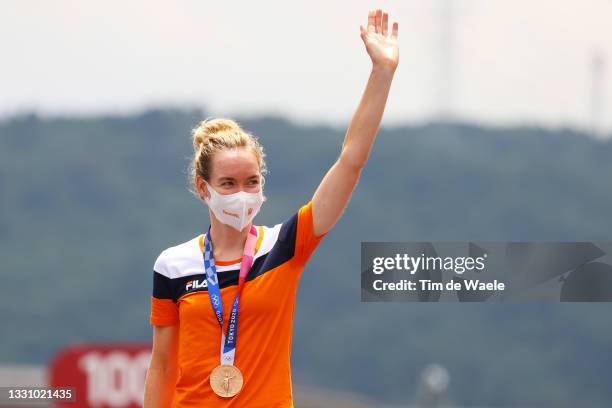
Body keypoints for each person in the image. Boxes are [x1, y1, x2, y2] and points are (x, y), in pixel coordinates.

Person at [144, 8, 399, 408]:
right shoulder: (173, 266)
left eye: (251, 182)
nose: (241, 194)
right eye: (228, 183)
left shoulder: (285, 245)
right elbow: (161, 368)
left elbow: (350, 160)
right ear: (203, 188)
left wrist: (381, 73)